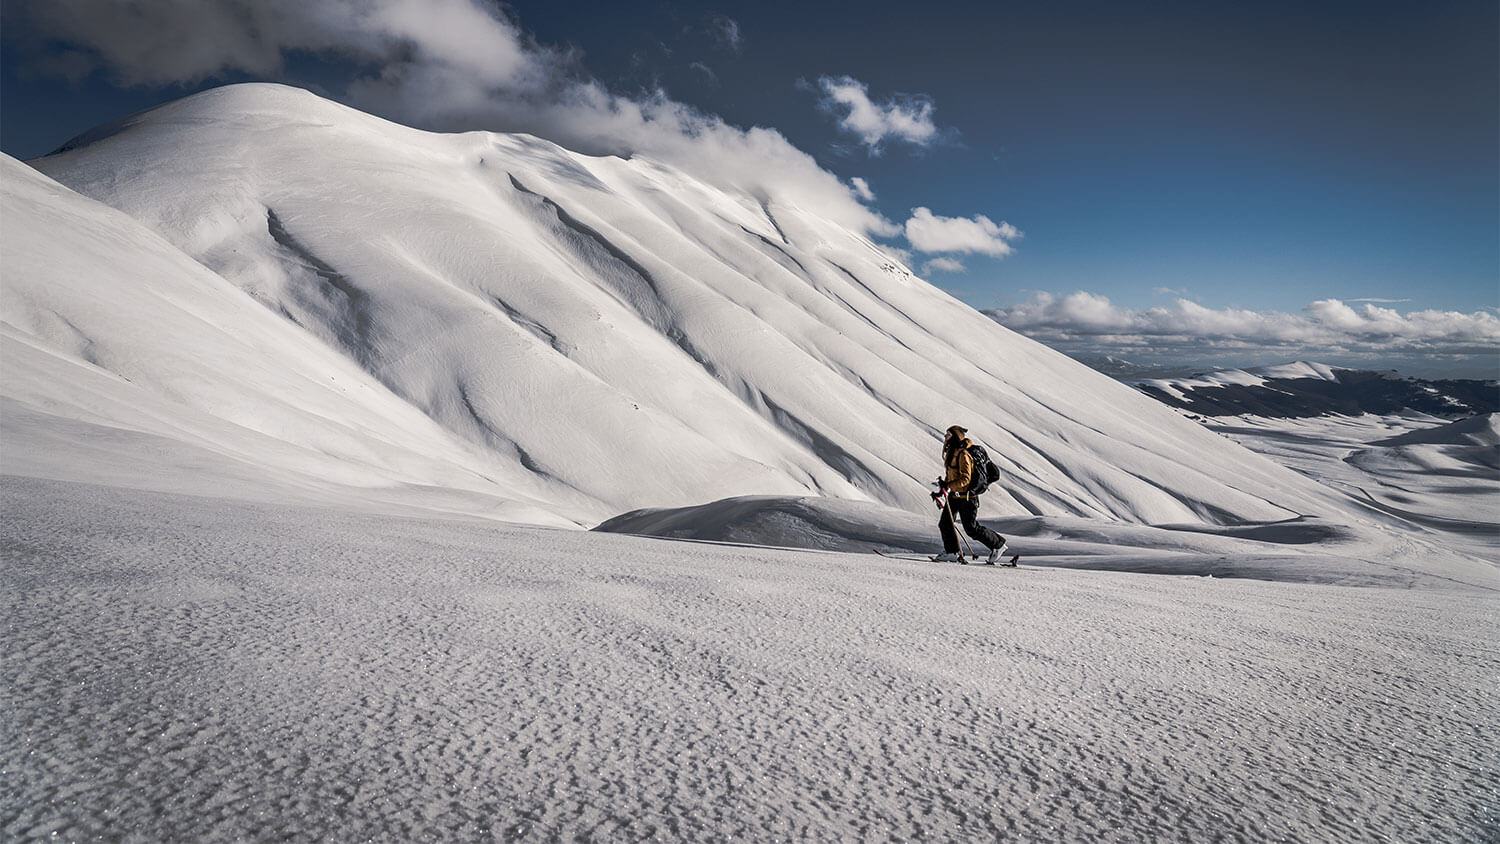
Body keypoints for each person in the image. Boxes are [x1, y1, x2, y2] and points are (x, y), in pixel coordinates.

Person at [933, 425, 1008, 564]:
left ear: (955, 437)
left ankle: (998, 545)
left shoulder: (963, 455)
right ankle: (952, 552)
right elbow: (952, 474)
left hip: (967, 497)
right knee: (945, 524)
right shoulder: (954, 452)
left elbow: (965, 479)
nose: (945, 438)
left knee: (971, 529)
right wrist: (944, 486)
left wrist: (948, 485)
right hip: (955, 496)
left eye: (948, 435)